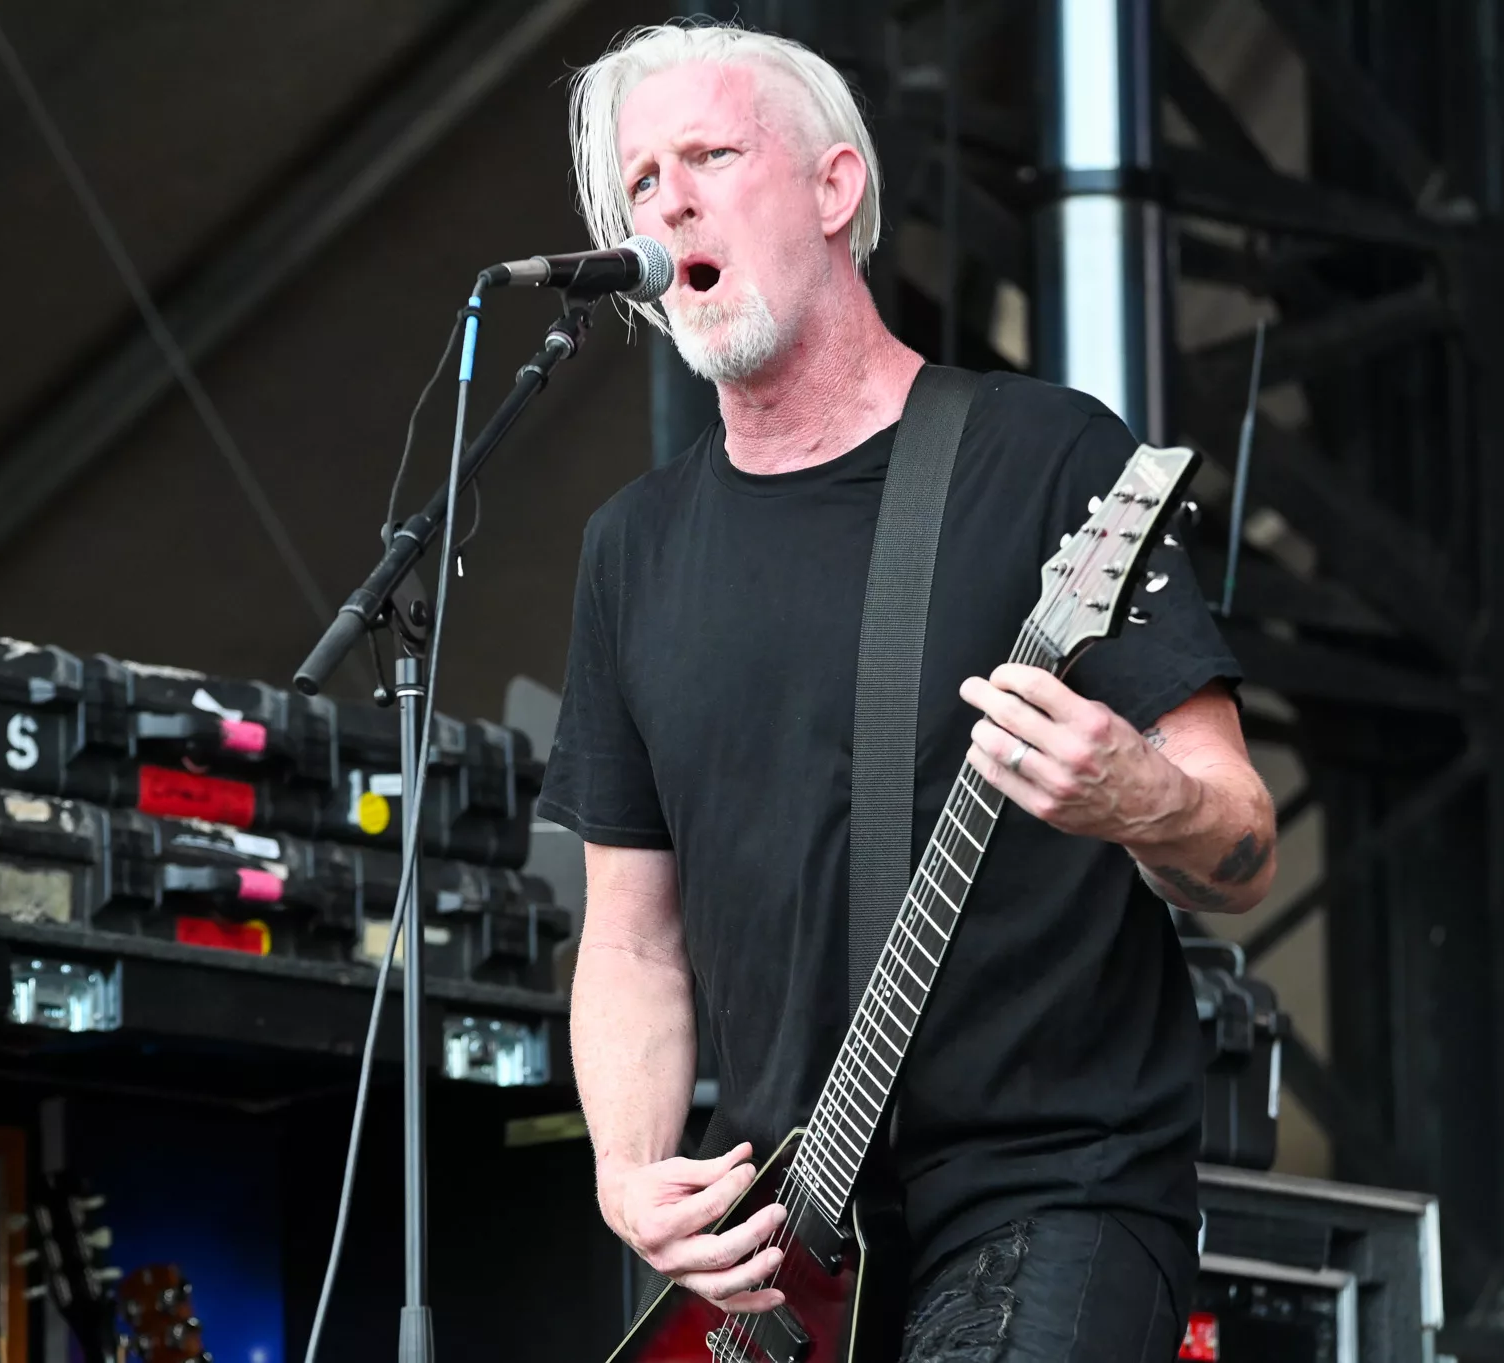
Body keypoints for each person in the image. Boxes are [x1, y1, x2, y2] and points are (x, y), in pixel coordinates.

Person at [539, 21, 1277, 1362]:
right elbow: (633, 937)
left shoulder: (1041, 456)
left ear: (837, 188)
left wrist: (1139, 796)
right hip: (790, 1245)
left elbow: (1241, 839)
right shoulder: (631, 553)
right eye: (642, 181)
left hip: (1053, 1185)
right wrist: (629, 1172)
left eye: (711, 156)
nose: (671, 201)